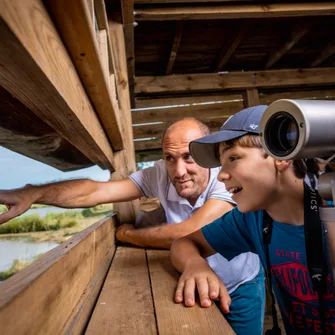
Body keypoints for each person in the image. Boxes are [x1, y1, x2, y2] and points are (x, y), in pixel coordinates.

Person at [0, 118, 264, 335]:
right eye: (170, 158)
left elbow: (189, 231)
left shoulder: (225, 177)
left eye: (188, 156)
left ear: (206, 156)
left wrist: (128, 235)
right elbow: (93, 192)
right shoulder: (160, 173)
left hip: (240, 285)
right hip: (191, 276)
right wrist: (33, 193)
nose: (179, 170)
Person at [170, 106, 335, 335]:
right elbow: (184, 243)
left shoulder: (330, 210)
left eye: (233, 158)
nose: (220, 175)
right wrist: (195, 265)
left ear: (281, 157)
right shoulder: (252, 219)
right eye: (222, 162)